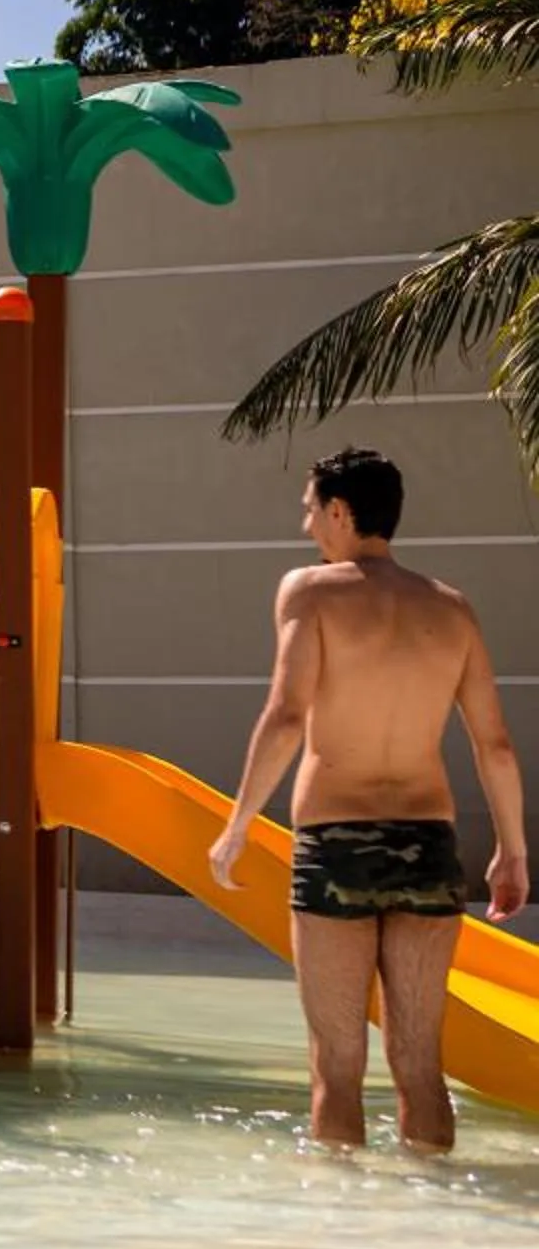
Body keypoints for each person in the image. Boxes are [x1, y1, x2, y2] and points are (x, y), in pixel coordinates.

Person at [209, 446, 527, 1153]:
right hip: (429, 846)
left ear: (341, 512)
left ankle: (343, 1242)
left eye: (310, 508)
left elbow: (287, 715)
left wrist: (237, 826)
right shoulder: (451, 608)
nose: (306, 525)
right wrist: (511, 849)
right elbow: (495, 745)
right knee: (421, 1061)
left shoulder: (310, 591)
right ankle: (430, 1230)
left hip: (336, 845)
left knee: (337, 1065)